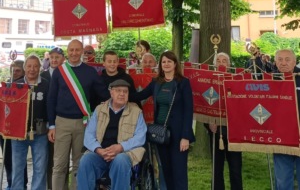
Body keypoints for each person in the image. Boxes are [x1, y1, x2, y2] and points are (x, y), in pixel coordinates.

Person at [47, 39, 110, 190]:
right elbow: (51, 99)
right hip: (61, 122)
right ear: (67, 52)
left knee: (79, 165)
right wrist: (52, 125)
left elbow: (103, 94)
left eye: (77, 50)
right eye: (71, 50)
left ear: (82, 52)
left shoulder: (90, 72)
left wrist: (121, 95)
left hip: (83, 124)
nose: (74, 53)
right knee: (59, 165)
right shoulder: (59, 72)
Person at [131, 51, 195, 190]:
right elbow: (140, 95)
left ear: (175, 64)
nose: (166, 64)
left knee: (179, 172)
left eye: (169, 62)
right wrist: (120, 94)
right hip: (161, 133)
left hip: (179, 135)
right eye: (163, 62)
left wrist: (185, 136)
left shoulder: (183, 83)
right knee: (166, 170)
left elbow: (188, 110)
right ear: (160, 64)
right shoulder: (156, 82)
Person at [76, 79, 147, 190]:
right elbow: (89, 135)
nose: (122, 94)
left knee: (120, 161)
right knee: (86, 160)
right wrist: (99, 150)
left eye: (125, 91)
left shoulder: (136, 111)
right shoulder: (99, 110)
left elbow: (140, 137)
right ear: (111, 93)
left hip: (124, 153)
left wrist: (120, 147)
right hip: (101, 153)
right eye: (118, 91)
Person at [11, 55, 50, 190]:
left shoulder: (46, 84)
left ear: (40, 68)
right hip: (18, 133)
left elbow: (50, 107)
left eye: (35, 66)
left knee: (40, 168)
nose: (32, 69)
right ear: (24, 68)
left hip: (40, 133)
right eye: (29, 66)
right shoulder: (16, 84)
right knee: (17, 168)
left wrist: (51, 126)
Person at [206, 52, 243, 190]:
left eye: (224, 61)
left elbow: (242, 104)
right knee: (217, 168)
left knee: (235, 168)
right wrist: (209, 121)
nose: (221, 63)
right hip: (216, 131)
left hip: (234, 131)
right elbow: (203, 104)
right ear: (214, 64)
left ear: (229, 64)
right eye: (219, 61)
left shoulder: (236, 80)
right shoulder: (208, 81)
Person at [273, 49, 300, 189]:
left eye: (287, 59)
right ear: (275, 62)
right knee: (283, 181)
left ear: (295, 62)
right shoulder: (270, 80)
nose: (283, 63)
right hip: (280, 138)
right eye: (280, 59)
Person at [40, 47, 67, 190]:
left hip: (63, 120)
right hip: (47, 122)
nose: (55, 60)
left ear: (63, 59)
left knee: (63, 158)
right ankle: (51, 187)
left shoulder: (67, 74)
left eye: (57, 57)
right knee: (50, 158)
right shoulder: (42, 76)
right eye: (52, 57)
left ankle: (63, 186)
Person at [0, 59, 26, 190]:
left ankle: (20, 184)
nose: (15, 73)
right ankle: (11, 183)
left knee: (17, 160)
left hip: (16, 128)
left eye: (18, 71)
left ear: (23, 71)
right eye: (13, 70)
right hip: (5, 127)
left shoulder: (23, 86)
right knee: (8, 158)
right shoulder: (8, 83)